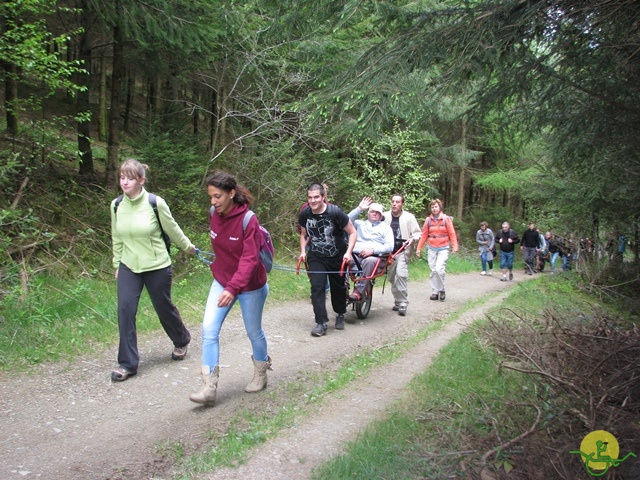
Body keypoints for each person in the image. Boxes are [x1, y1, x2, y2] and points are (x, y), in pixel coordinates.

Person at [110, 159, 195, 382]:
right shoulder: (116, 205)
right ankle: (127, 363)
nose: (124, 182)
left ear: (141, 180)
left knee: (163, 307)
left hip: (157, 266)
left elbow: (172, 229)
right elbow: (116, 237)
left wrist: (188, 247)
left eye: (129, 177)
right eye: (122, 177)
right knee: (125, 310)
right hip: (129, 266)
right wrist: (117, 263)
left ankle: (181, 339)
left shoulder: (155, 203)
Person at [190, 172, 271, 406]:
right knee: (208, 328)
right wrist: (226, 281)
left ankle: (261, 373)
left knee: (254, 332)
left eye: (218, 196)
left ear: (231, 193)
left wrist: (234, 287)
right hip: (223, 281)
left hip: (250, 285)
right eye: (210, 197)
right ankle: (209, 387)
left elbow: (249, 259)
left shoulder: (248, 220)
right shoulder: (214, 214)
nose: (213, 202)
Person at [298, 183, 356, 336]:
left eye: (316, 197)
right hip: (317, 256)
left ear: (323, 197)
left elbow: (352, 232)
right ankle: (321, 323)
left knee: (338, 287)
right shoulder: (305, 213)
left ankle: (340, 313)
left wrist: (348, 253)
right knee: (317, 287)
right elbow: (304, 234)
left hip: (337, 255)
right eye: (310, 197)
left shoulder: (334, 212)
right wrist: (303, 251)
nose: (313, 200)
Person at [347, 197, 395, 313]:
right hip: (356, 255)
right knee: (344, 260)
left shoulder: (386, 228)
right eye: (372, 211)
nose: (374, 214)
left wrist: (372, 250)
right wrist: (359, 209)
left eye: (377, 212)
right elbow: (345, 221)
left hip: (375, 258)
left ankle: (358, 292)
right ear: (368, 213)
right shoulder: (359, 224)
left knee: (369, 261)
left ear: (381, 215)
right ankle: (343, 290)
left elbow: (389, 246)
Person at [382, 194, 422, 316]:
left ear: (402, 204)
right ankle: (398, 301)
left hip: (403, 251)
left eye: (397, 202)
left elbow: (417, 233)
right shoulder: (384, 216)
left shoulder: (409, 217)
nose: (394, 204)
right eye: (393, 201)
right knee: (393, 278)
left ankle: (403, 303)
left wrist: (412, 239)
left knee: (401, 274)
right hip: (388, 253)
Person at [416, 199, 459, 301]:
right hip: (432, 248)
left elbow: (452, 233)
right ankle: (435, 291)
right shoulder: (428, 220)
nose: (434, 209)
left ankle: (442, 289)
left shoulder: (446, 219)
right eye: (432, 207)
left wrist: (455, 246)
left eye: (436, 207)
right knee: (433, 270)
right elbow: (424, 235)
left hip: (443, 247)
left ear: (439, 207)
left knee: (439, 269)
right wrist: (419, 248)